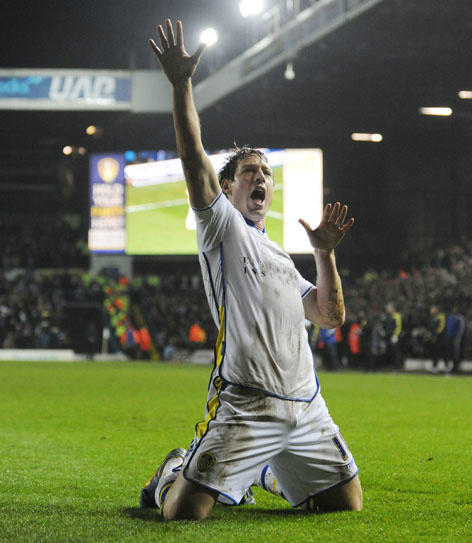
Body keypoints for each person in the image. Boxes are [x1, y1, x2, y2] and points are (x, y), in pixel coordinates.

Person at [140, 19, 362, 520]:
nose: (260, 177)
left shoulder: (283, 260)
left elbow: (330, 317)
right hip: (245, 404)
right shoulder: (222, 227)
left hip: (306, 407)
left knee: (346, 505)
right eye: (249, 171)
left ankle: (265, 471)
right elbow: (193, 159)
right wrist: (182, 86)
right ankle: (175, 469)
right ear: (229, 186)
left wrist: (325, 254)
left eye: (265, 172)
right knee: (183, 513)